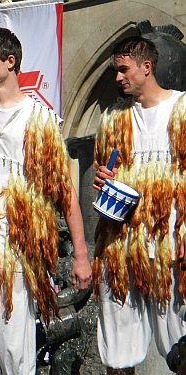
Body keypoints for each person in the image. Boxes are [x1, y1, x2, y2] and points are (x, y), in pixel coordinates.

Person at [0, 27, 92, 375]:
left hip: (15, 251)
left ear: (10, 62)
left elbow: (65, 191)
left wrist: (81, 255)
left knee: (14, 349)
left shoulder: (40, 120)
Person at [92, 35, 186, 375]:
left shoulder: (182, 109)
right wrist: (103, 176)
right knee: (117, 345)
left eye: (123, 69)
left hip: (172, 247)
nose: (118, 78)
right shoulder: (113, 120)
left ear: (146, 67)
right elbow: (105, 173)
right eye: (116, 71)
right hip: (122, 246)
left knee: (180, 344)